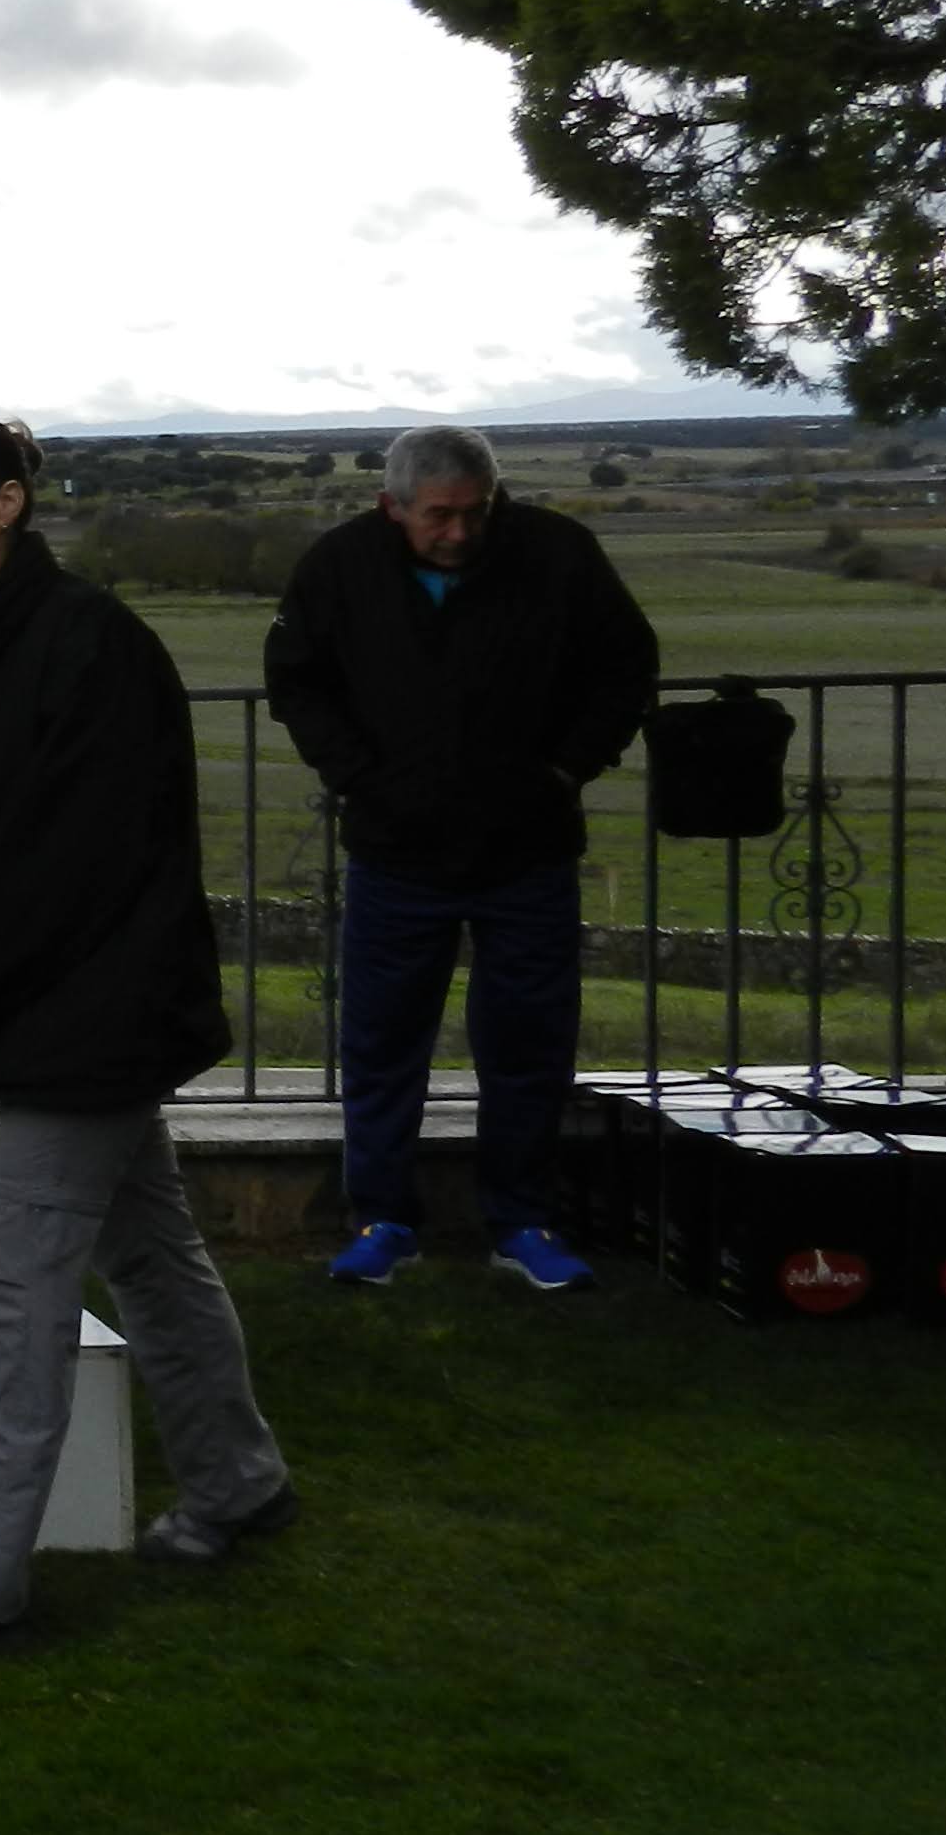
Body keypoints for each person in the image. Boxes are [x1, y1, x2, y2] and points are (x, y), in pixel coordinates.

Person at [0, 416, 293, 1650]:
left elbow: (67, 862)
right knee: (149, 1253)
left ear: (8, 503)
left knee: (14, 1284)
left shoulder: (85, 641)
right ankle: (237, 1481)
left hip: (91, 1012)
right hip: (63, 1005)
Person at [264, 422, 658, 1291]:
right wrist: (358, 776)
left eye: (476, 512)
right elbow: (295, 678)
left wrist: (565, 769)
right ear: (392, 506)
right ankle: (382, 1220)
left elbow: (625, 668)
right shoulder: (340, 566)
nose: (459, 532)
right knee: (382, 1046)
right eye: (438, 516)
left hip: (529, 850)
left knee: (529, 1046)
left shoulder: (557, 554)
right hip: (395, 854)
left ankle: (522, 1222)